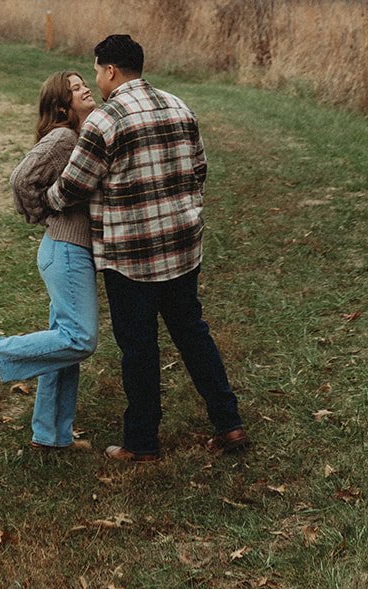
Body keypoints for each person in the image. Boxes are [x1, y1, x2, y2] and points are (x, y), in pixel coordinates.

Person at [45, 33, 247, 462]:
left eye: (97, 71)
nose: (96, 80)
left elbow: (74, 187)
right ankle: (229, 424)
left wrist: (47, 201)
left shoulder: (106, 120)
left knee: (139, 348)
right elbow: (199, 170)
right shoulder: (179, 105)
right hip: (182, 248)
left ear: (111, 71)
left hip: (131, 258)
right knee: (193, 334)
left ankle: (141, 442)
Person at [0, 69, 99, 449]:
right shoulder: (63, 137)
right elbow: (21, 179)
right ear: (61, 105)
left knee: (61, 345)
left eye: (84, 82)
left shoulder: (81, 137)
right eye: (75, 88)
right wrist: (43, 216)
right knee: (80, 339)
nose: (85, 87)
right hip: (66, 250)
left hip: (68, 251)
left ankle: (50, 435)